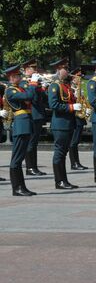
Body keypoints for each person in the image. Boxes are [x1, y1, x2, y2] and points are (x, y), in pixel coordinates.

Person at [4, 64, 38, 196]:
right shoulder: (11, 91)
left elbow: (33, 97)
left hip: (26, 123)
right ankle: (17, 188)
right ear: (11, 78)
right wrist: (33, 83)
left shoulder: (20, 88)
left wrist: (35, 86)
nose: (17, 77)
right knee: (17, 158)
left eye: (17, 75)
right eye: (15, 76)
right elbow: (27, 97)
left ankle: (21, 187)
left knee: (20, 157)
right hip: (21, 124)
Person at [48, 58, 81, 189]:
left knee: (63, 153)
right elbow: (53, 105)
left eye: (67, 69)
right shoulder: (55, 85)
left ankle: (63, 180)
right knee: (60, 153)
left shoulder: (65, 85)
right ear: (58, 70)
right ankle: (59, 181)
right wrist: (72, 107)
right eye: (65, 69)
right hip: (60, 124)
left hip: (68, 123)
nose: (68, 71)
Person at [21, 58, 48, 176]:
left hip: (37, 115)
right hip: (30, 114)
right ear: (27, 70)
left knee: (34, 143)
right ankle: (29, 168)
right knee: (30, 143)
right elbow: (30, 97)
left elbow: (42, 99)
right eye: (33, 69)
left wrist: (44, 88)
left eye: (36, 68)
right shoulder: (23, 83)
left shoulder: (35, 82)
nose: (36, 71)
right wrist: (35, 84)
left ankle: (34, 167)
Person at [68, 67, 89, 170]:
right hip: (74, 118)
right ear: (73, 77)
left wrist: (87, 108)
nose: (81, 78)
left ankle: (77, 162)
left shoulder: (78, 88)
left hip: (79, 117)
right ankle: (74, 163)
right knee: (73, 141)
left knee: (76, 141)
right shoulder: (70, 89)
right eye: (79, 76)